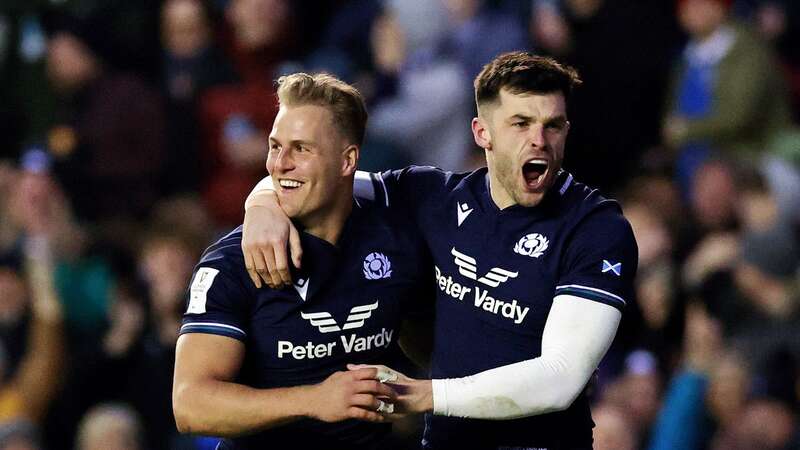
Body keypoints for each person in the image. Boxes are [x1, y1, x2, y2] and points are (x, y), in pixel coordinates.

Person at [242, 52, 638, 449]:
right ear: (483, 133)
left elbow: (561, 378)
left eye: (553, 126)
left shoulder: (596, 228)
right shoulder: (433, 198)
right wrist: (261, 206)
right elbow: (329, 178)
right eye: (520, 124)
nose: (539, 140)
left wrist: (425, 394)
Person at [172, 72, 433, 449]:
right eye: (275, 147)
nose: (280, 165)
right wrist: (314, 399)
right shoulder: (234, 261)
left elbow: (430, 346)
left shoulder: (397, 236)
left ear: (348, 162)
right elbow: (190, 404)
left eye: (301, 149)